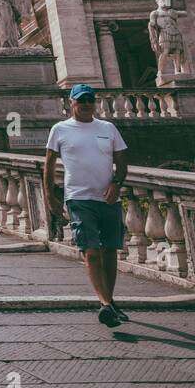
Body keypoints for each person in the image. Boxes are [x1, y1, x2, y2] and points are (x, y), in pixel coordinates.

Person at [44, 84, 130, 328]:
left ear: (95, 103)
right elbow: (48, 166)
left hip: (108, 198)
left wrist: (116, 183)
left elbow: (122, 162)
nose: (86, 104)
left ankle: (110, 302)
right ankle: (104, 303)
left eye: (90, 100)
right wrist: (50, 196)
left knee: (110, 250)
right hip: (79, 198)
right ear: (71, 103)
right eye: (81, 100)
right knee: (91, 252)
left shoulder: (108, 128)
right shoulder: (59, 129)